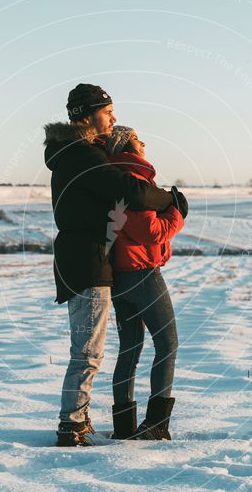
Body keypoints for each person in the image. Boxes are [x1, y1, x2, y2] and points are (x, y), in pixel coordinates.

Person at [44, 84, 175, 447]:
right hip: (87, 261)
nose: (114, 117)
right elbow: (132, 191)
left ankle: (80, 419)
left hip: (87, 259)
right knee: (88, 351)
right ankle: (71, 425)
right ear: (88, 116)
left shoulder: (76, 153)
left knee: (96, 349)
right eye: (108, 111)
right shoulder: (80, 155)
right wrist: (173, 200)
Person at [104, 126, 188, 441]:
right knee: (168, 345)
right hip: (142, 274)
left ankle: (124, 427)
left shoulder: (112, 181)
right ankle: (155, 426)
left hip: (119, 277)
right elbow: (151, 232)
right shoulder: (133, 181)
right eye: (138, 138)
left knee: (130, 349)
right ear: (128, 146)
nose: (144, 142)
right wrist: (177, 213)